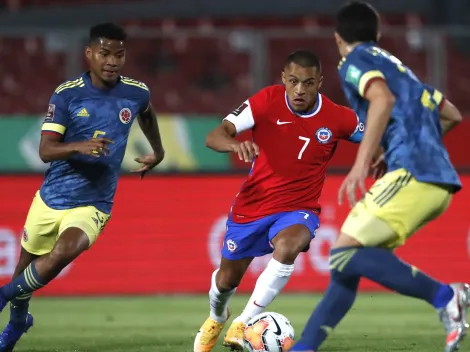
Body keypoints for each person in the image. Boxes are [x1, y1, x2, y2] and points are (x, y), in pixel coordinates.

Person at [288, 2, 467, 352]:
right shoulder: (404, 71)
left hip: (412, 174)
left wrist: (363, 159)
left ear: (339, 39)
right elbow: (451, 114)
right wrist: (402, 144)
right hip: (436, 179)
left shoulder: (355, 61)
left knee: (340, 254)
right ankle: (304, 348)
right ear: (378, 33)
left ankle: (447, 295)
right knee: (345, 266)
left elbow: (380, 99)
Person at [0, 23, 165, 350]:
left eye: (119, 54)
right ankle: (19, 320)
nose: (113, 61)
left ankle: (3, 295)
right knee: (25, 271)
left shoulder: (136, 91)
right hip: (51, 198)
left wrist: (158, 151)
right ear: (89, 53)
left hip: (94, 202)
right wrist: (79, 146)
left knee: (65, 251)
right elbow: (45, 150)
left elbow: (146, 113)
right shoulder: (67, 94)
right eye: (105, 53)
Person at [194, 50, 365, 352]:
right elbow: (214, 136)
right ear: (284, 79)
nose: (300, 90)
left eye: (308, 83)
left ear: (320, 83)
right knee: (224, 283)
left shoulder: (338, 117)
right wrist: (236, 144)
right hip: (252, 207)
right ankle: (217, 317)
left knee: (289, 246)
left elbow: (373, 134)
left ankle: (244, 322)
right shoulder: (266, 101)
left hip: (299, 208)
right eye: (294, 81)